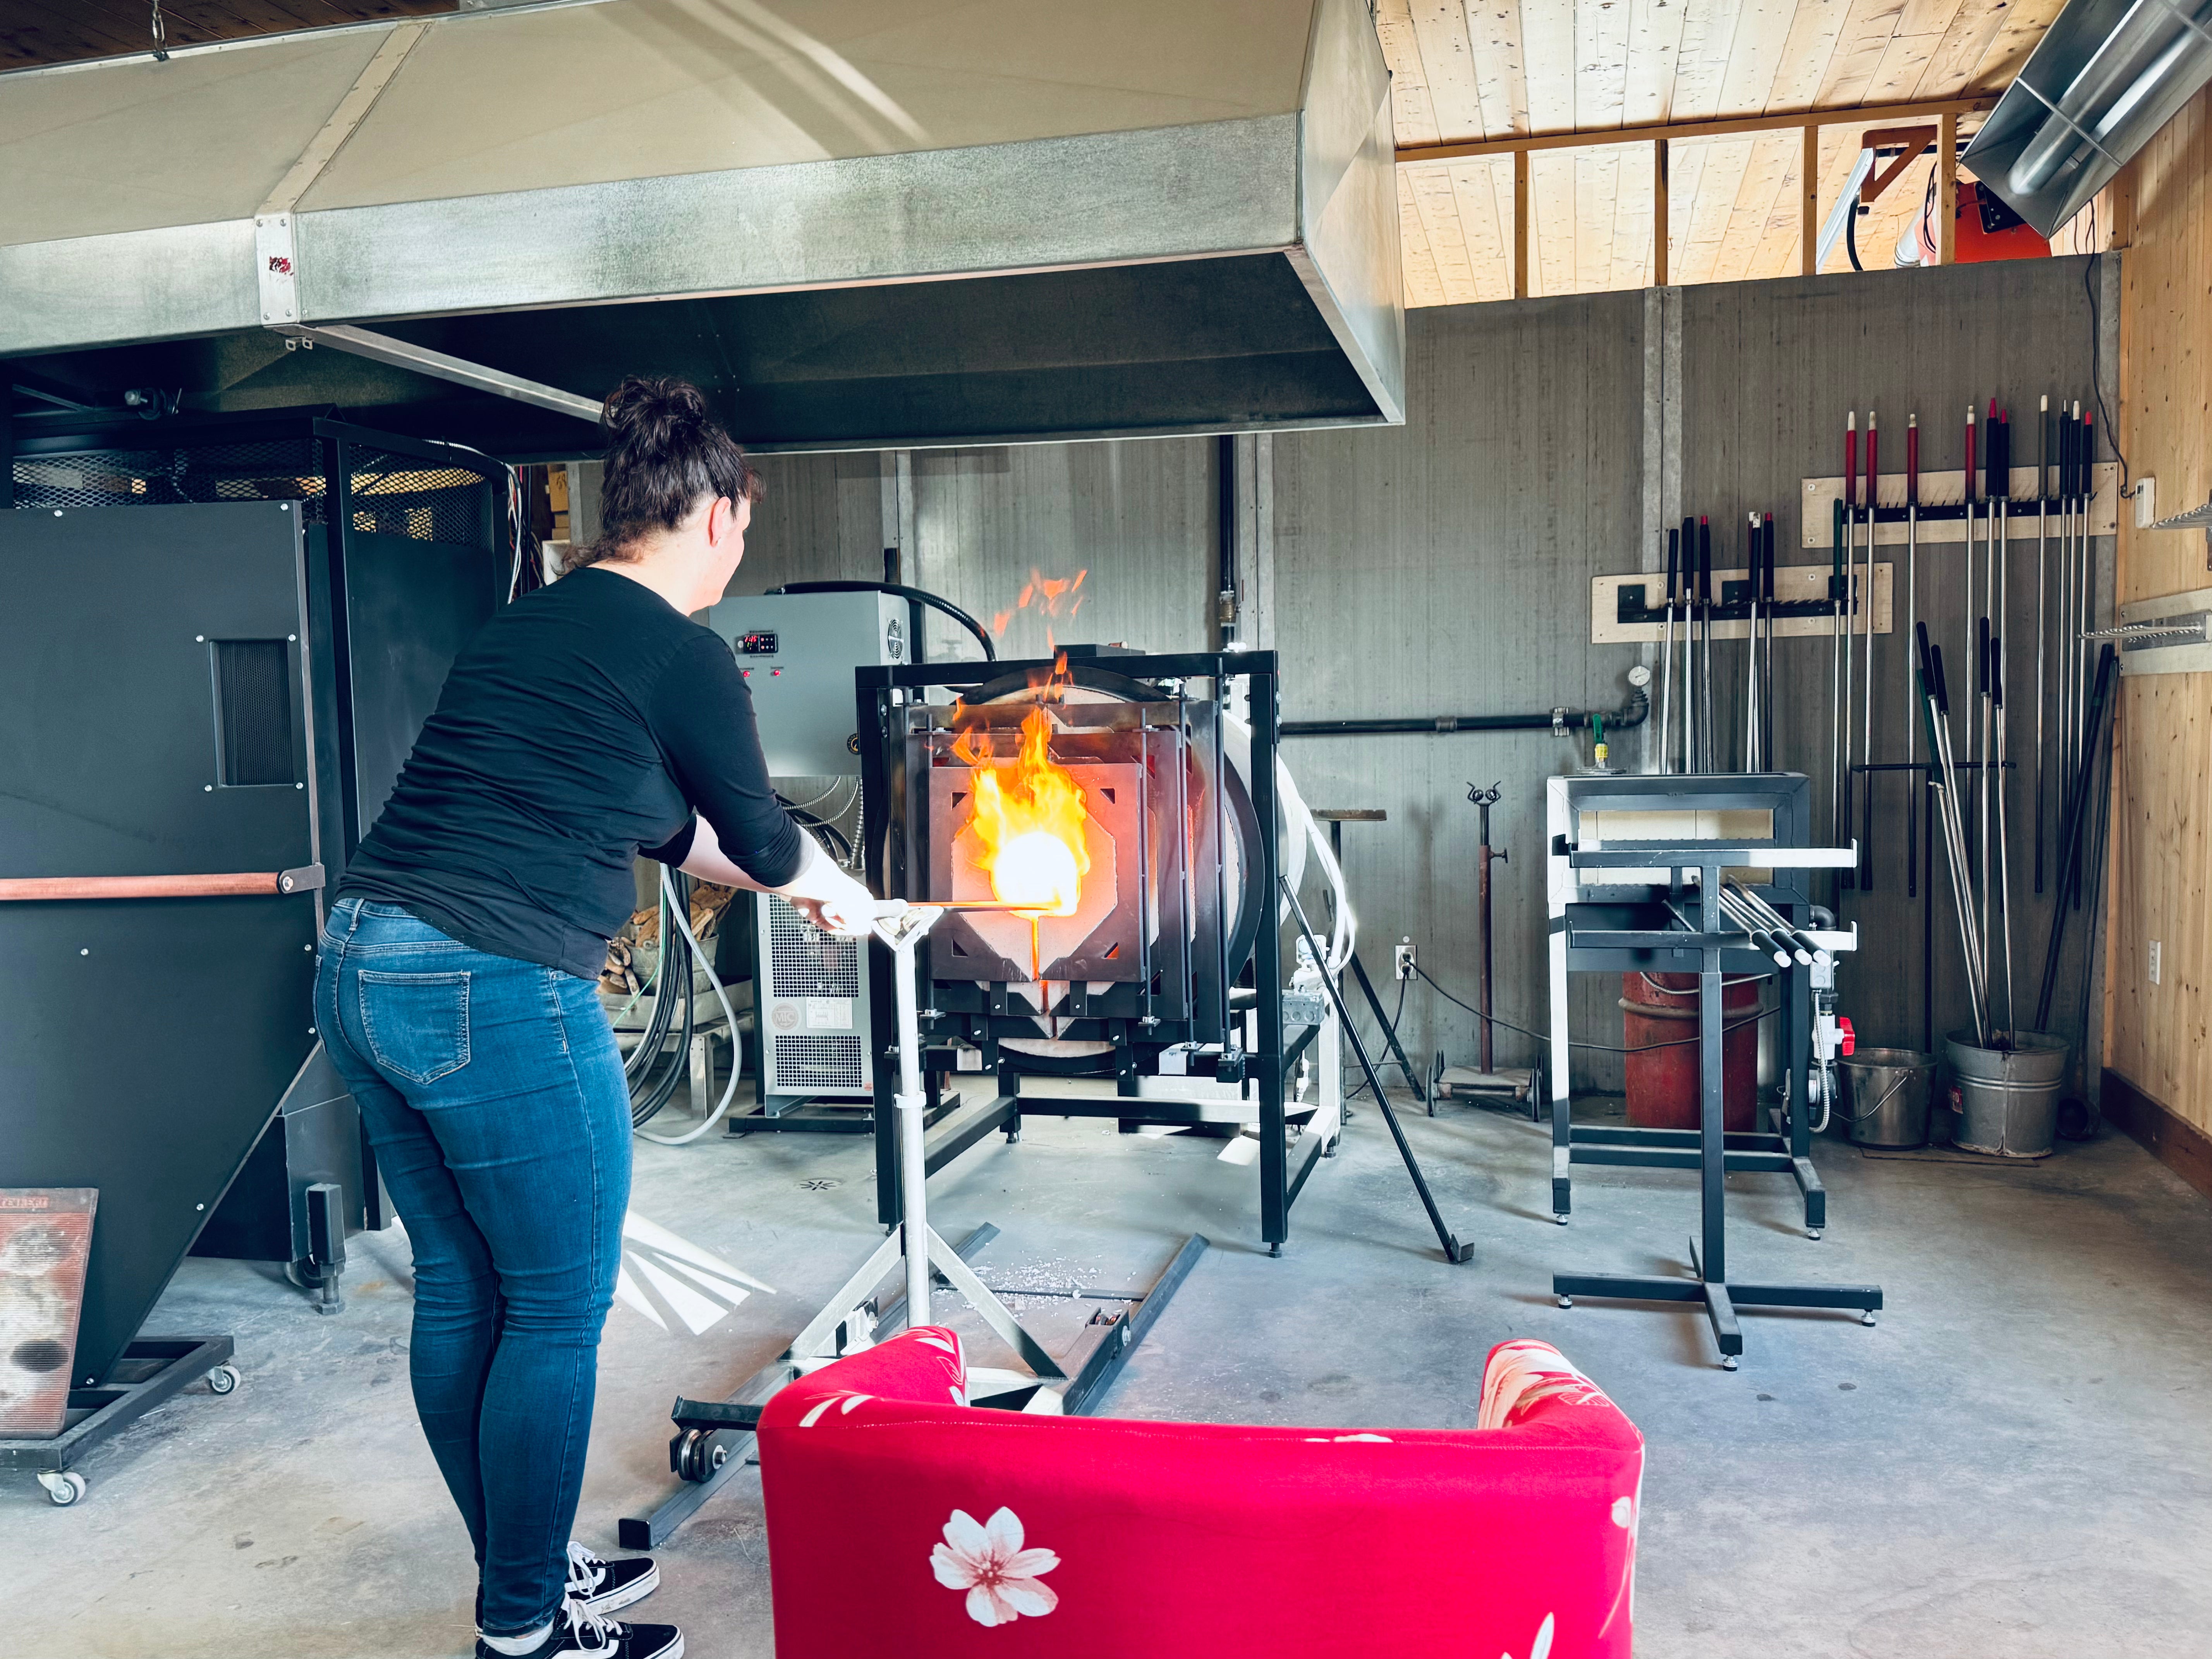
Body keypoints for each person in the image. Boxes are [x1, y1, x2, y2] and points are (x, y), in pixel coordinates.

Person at [314, 377, 874, 1659]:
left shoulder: (536, 626)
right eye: (749, 525)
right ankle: (523, 1628)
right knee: (559, 1308)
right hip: (493, 982)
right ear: (720, 514)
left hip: (360, 963)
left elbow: (664, 829)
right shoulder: (683, 651)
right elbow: (762, 837)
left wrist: (816, 887)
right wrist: (828, 881)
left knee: (461, 1288)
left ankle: (521, 1573)